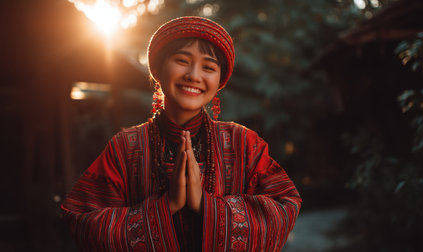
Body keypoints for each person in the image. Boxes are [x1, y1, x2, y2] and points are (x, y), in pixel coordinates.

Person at [61, 16, 302, 251]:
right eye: (182, 60)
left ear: (219, 81)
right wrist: (166, 206)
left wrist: (206, 206)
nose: (194, 75)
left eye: (208, 67)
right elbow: (81, 220)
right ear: (157, 68)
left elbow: (286, 205)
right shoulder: (125, 147)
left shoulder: (244, 143)